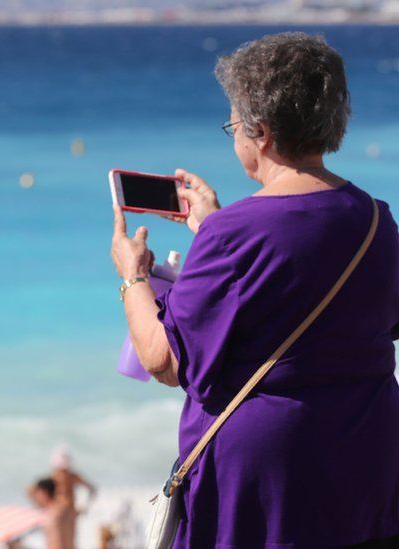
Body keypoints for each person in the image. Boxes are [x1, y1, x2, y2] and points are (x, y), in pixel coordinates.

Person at [110, 32, 399, 547]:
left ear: (260, 132)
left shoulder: (235, 233)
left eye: (233, 125)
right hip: (367, 462)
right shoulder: (377, 220)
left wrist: (133, 276)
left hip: (266, 482)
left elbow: (166, 362)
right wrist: (214, 229)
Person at [28, 452, 96, 549]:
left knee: (57, 539)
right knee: (68, 541)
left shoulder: (54, 476)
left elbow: (30, 490)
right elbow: (92, 489)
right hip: (70, 511)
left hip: (60, 510)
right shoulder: (72, 476)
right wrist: (84, 507)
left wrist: (38, 505)